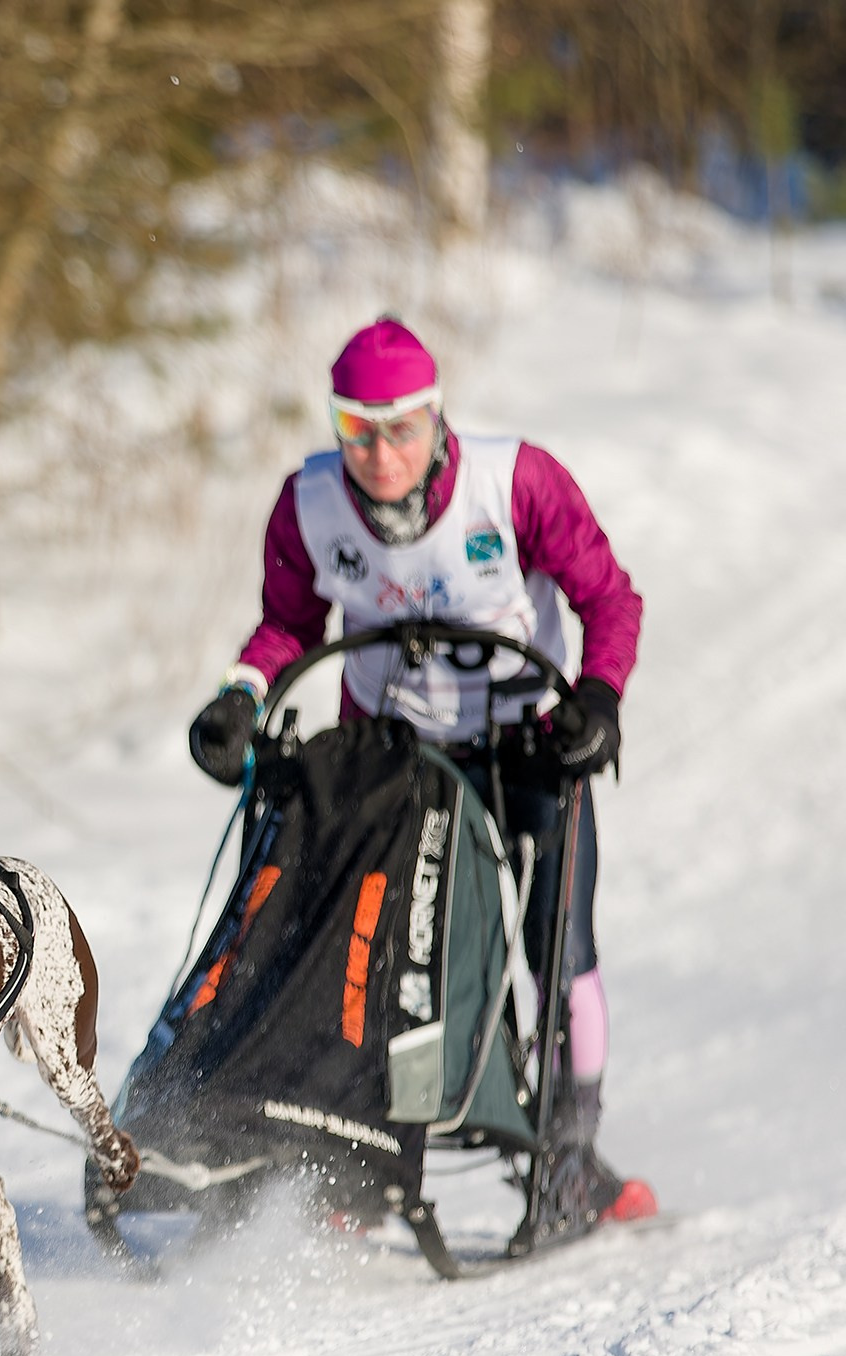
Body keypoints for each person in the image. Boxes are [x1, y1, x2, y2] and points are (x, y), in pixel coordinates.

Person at [186, 317, 656, 1224]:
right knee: (369, 943)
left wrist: (599, 698)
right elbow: (288, 622)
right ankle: (356, 1157)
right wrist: (241, 695)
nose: (380, 455)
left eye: (400, 429)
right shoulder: (309, 502)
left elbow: (609, 598)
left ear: (436, 418)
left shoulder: (516, 482)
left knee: (561, 946)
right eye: (356, 431)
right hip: (394, 758)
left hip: (530, 745)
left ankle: (572, 1153)